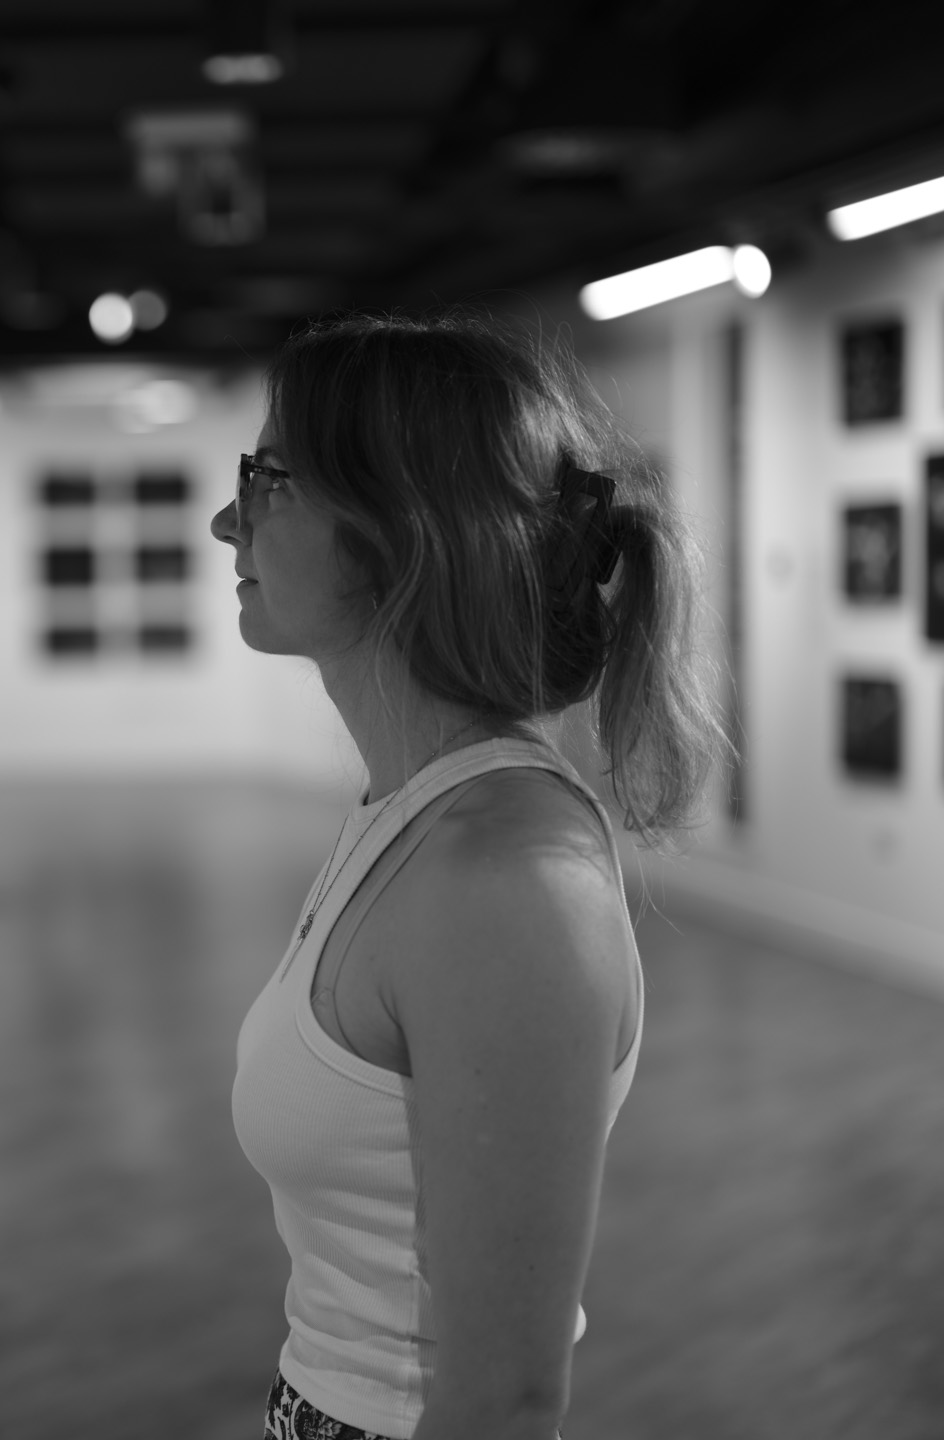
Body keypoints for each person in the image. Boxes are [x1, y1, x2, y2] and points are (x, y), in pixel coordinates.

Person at [213, 312, 723, 1440]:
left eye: (270, 481)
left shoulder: (506, 881)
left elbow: (502, 1403)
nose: (225, 521)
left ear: (399, 530)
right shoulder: (412, 812)